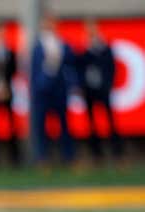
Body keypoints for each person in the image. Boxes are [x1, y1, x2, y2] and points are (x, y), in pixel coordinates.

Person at [30, 12, 78, 165]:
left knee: (64, 125)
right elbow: (33, 70)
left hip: (59, 90)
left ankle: (68, 157)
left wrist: (73, 85)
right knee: (41, 126)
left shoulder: (63, 44)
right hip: (42, 92)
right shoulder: (37, 46)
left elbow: (71, 66)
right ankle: (42, 158)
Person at [77, 19, 123, 162]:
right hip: (89, 90)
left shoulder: (104, 47)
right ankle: (97, 153)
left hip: (103, 89)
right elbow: (80, 69)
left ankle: (117, 151)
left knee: (110, 120)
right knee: (91, 122)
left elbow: (111, 68)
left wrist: (108, 85)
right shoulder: (84, 48)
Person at [0, 22, 21, 167]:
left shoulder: (11, 53)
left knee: (11, 124)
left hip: (7, 92)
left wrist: (6, 88)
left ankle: (14, 157)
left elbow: (14, 72)